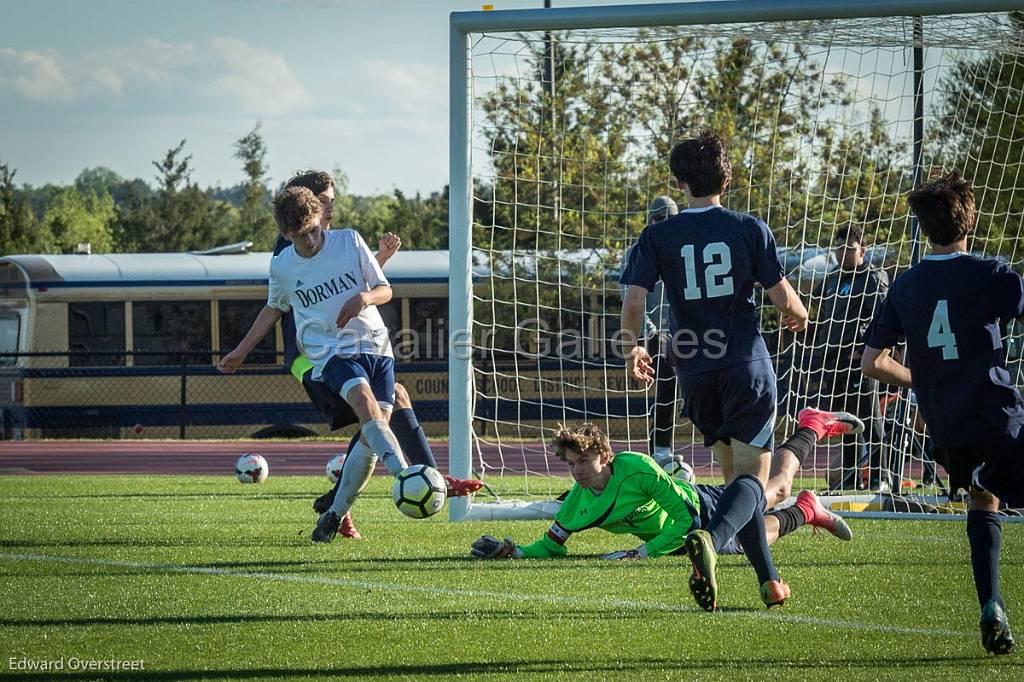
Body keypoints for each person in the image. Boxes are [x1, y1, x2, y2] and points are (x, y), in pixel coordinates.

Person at [620, 130, 809, 611]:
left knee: (734, 482)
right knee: (753, 478)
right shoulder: (749, 227)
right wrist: (800, 314)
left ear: (678, 181)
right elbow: (784, 299)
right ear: (726, 177)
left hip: (694, 369)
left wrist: (632, 348)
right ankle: (712, 542)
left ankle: (770, 582)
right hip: (744, 362)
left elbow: (635, 300)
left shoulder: (658, 234)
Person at [269, 171, 481, 539]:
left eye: (332, 198)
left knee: (385, 408)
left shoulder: (338, 239)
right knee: (373, 409)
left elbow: (351, 287)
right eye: (326, 198)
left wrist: (379, 260)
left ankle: (341, 504)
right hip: (313, 355)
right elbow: (298, 300)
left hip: (356, 342)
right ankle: (414, 477)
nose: (331, 204)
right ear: (309, 203)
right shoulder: (294, 242)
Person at [861, 171, 1022, 655]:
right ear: (969, 220)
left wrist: (923, 382)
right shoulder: (992, 274)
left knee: (983, 498)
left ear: (923, 227)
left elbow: (872, 362)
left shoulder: (906, 286)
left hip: (946, 426)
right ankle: (991, 603)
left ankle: (992, 602)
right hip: (997, 414)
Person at [219, 185, 410, 543]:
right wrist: (241, 351)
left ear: (320, 217)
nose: (309, 240)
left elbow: (384, 290)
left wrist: (363, 298)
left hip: (376, 346)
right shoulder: (283, 267)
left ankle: (334, 515)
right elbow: (273, 309)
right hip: (330, 351)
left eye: (313, 230)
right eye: (300, 236)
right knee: (366, 408)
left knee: (372, 437)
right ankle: (406, 477)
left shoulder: (350, 241)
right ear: (284, 234)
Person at [470, 411, 858, 561]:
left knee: (773, 491)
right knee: (737, 543)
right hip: (676, 537)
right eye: (571, 465)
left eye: (584, 462)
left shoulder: (636, 468)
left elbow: (685, 520)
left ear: (605, 456)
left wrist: (640, 553)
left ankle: (811, 426)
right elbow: (551, 546)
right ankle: (808, 511)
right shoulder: (577, 501)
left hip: (699, 508)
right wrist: (515, 551)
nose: (578, 473)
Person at [808, 225, 890, 490]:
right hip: (833, 362)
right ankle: (850, 479)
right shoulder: (831, 279)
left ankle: (880, 478)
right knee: (847, 423)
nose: (843, 253)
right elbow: (822, 317)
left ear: (862, 251)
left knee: (870, 420)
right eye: (839, 248)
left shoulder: (873, 277)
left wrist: (861, 348)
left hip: (860, 362)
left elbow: (880, 319)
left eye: (850, 248)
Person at [629, 195, 680, 465]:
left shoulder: (683, 247)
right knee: (667, 378)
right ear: (650, 220)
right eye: (659, 219)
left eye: (669, 220)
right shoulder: (639, 250)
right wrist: (649, 332)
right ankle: (660, 449)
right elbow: (631, 297)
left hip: (685, 332)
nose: (663, 224)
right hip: (648, 333)